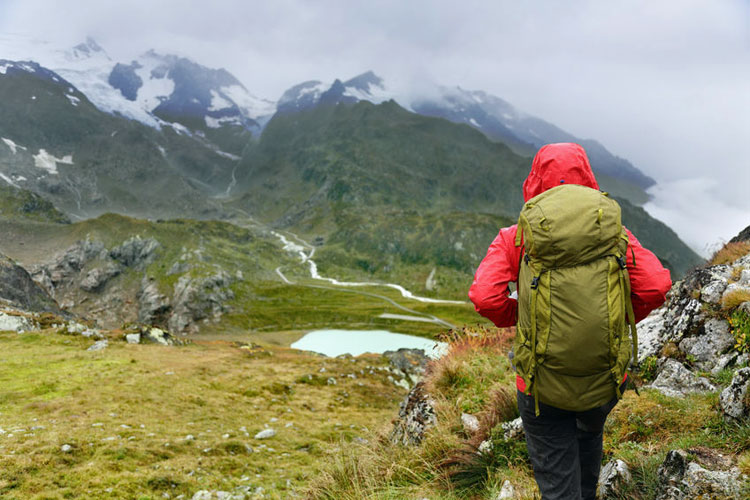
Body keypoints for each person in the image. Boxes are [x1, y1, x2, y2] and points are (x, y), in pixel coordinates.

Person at [468, 142, 671, 499]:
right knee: (588, 435)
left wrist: (522, 317)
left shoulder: (516, 238)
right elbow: (656, 286)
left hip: (540, 384)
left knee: (557, 477)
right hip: (603, 376)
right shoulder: (614, 235)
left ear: (534, 180)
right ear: (587, 177)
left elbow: (485, 297)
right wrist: (617, 322)